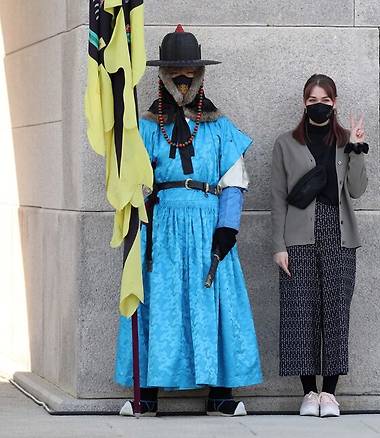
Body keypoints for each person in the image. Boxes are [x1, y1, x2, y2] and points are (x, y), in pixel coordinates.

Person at [114, 25, 262, 417]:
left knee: (213, 305)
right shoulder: (144, 127)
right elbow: (135, 182)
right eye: (175, 72)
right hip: (161, 230)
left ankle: (220, 393)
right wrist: (137, 221)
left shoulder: (220, 127)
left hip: (209, 228)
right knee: (159, 306)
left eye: (189, 72)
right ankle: (147, 393)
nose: (183, 79)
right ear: (162, 74)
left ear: (200, 74)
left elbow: (233, 180)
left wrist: (227, 229)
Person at [270, 74, 368, 418]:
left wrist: (356, 148)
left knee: (336, 313)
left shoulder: (344, 141)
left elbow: (356, 190)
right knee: (300, 313)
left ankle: (330, 393)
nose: (319, 105)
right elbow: (278, 198)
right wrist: (278, 245)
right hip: (298, 238)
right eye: (312, 100)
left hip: (339, 237)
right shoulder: (285, 143)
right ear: (304, 103)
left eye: (325, 100)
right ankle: (309, 393)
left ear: (335, 103)